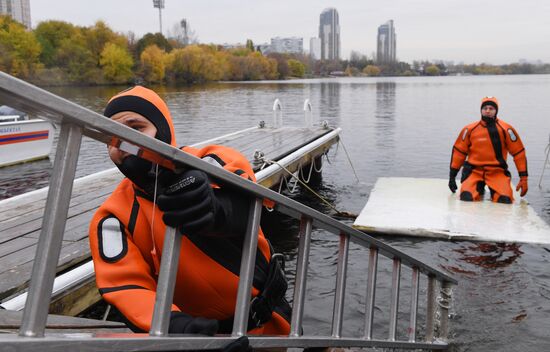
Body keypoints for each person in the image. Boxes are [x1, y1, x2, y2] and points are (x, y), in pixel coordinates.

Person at [88, 86, 291, 338]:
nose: (122, 144)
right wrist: (173, 324)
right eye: (112, 137)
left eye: (136, 128)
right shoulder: (111, 217)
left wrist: (216, 209)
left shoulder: (214, 160)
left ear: (163, 131)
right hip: (196, 339)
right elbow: (124, 285)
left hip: (271, 324)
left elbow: (248, 203)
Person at [448, 96, 528, 203]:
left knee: (504, 200)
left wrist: (524, 178)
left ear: (496, 111)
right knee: (466, 197)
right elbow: (459, 152)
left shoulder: (506, 129)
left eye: (491, 108)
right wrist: (452, 176)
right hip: (474, 171)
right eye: (485, 108)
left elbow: (518, 153)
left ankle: (493, 191)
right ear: (481, 110)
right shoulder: (470, 129)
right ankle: (478, 189)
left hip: (497, 172)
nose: (488, 111)